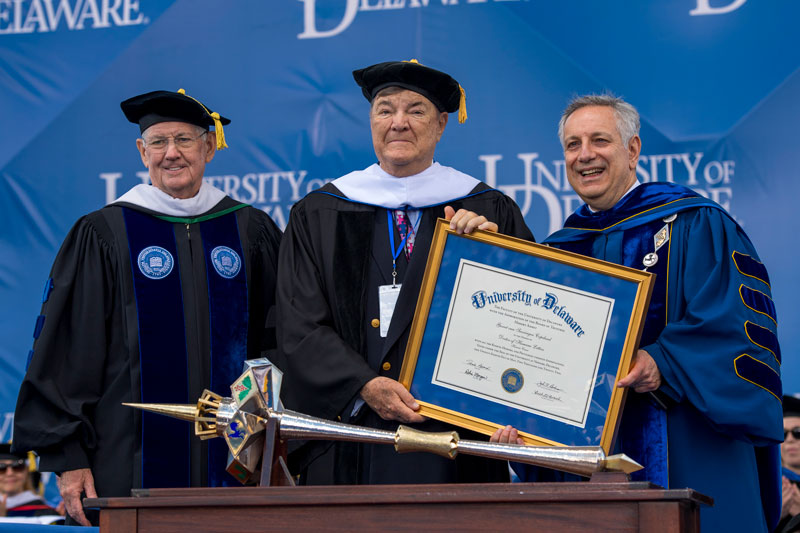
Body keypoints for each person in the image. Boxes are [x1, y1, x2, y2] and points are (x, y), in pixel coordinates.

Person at [493, 93, 782, 533]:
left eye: (599, 140)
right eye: (572, 145)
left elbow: (737, 326)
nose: (584, 155)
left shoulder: (695, 222)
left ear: (632, 150)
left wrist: (662, 361)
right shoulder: (557, 252)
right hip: (590, 468)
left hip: (690, 443)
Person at [12, 89, 282, 525]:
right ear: (142, 151)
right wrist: (69, 457)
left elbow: (280, 341)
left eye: (184, 140)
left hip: (237, 464)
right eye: (158, 142)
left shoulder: (248, 229)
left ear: (209, 148)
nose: (171, 153)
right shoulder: (105, 232)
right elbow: (68, 352)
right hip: (126, 462)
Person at [277, 60, 534, 485]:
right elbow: (297, 324)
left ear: (441, 124)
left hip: (454, 441)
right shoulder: (321, 211)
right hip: (349, 433)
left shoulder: (488, 210)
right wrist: (363, 385)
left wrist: (496, 257)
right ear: (371, 120)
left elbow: (524, 321)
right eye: (385, 109)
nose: (398, 123)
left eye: (416, 110)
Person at [0, 444, 60, 522]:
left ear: (26, 472)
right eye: (1, 467)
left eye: (17, 467)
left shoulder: (45, 513)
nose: (10, 473)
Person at [778, 395, 800, 532]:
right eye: (783, 433)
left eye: (798, 432)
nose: (790, 439)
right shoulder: (766, 487)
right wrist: (773, 517)